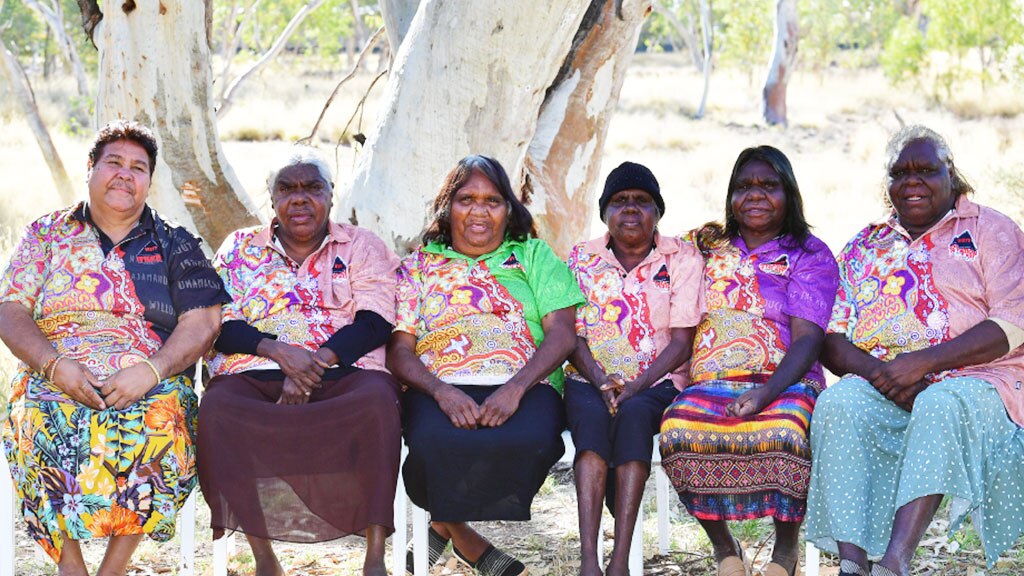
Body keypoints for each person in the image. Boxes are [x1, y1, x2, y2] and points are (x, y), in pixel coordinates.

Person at [0, 120, 226, 576]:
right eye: (114, 162)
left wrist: (152, 370)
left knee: (163, 419)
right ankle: (72, 568)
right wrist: (54, 365)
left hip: (146, 376)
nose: (125, 174)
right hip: (56, 370)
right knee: (38, 415)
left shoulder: (175, 242)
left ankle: (113, 570)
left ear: (149, 181)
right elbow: (10, 309)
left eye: (138, 168)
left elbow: (204, 320)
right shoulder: (47, 233)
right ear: (90, 167)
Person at [805, 125, 1024, 576]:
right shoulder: (867, 245)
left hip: (980, 381)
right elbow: (833, 336)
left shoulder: (991, 230)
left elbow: (1013, 322)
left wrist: (922, 364)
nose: (912, 182)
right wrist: (886, 376)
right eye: (899, 173)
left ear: (952, 176)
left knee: (941, 403)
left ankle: (894, 562)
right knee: (837, 402)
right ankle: (852, 564)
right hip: (888, 380)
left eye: (925, 170)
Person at [198, 147, 402, 576]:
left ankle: (375, 557)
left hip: (345, 373)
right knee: (218, 409)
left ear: (331, 194)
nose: (300, 198)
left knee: (378, 401)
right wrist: (279, 352)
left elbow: (375, 320)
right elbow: (221, 324)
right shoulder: (238, 248)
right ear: (271, 199)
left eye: (312, 187)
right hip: (253, 370)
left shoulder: (361, 245)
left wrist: (312, 366)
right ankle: (264, 559)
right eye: (286, 188)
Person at [388, 155, 583, 576]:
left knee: (530, 439)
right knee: (429, 446)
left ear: (508, 208)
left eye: (492, 200)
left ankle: (442, 525)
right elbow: (400, 351)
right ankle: (468, 542)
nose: (479, 211)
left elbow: (563, 333)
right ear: (447, 207)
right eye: (466, 199)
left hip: (526, 384)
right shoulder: (419, 266)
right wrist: (442, 391)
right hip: (438, 385)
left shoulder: (533, 256)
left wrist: (515, 388)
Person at [659, 146, 839, 576]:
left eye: (768, 185)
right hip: (711, 380)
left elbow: (809, 339)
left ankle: (785, 550)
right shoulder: (705, 245)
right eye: (744, 187)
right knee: (678, 431)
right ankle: (724, 548)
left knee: (787, 433)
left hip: (787, 380)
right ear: (730, 196)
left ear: (789, 193)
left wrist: (767, 392)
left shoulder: (809, 254)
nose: (754, 195)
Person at [565, 161, 704, 576]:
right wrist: (600, 380)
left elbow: (682, 341)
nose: (630, 209)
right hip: (590, 377)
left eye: (642, 202)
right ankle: (589, 559)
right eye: (620, 201)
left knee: (634, 417)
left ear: (657, 212)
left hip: (657, 380)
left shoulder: (681, 258)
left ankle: (620, 560)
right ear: (604, 211)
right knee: (589, 423)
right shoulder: (581, 258)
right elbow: (572, 336)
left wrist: (637, 385)